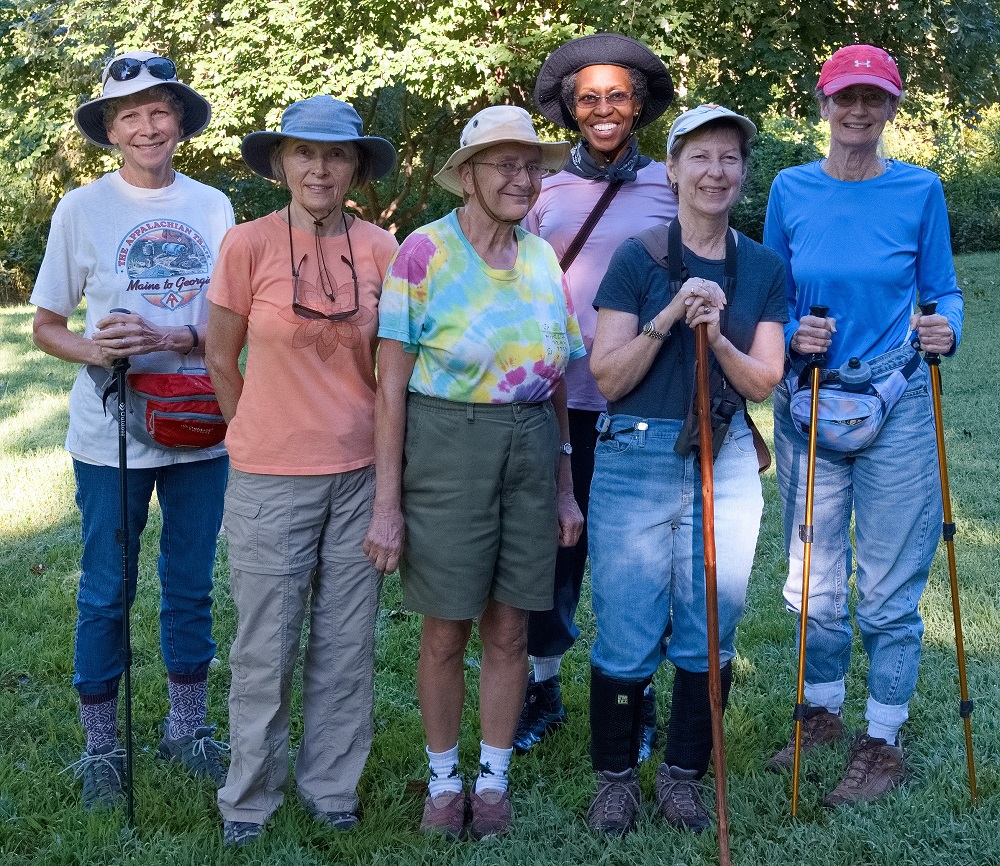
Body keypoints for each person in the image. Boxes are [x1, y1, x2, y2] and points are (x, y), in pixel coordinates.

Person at [362, 105, 585, 841]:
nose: (522, 178)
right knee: (445, 629)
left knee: (512, 626)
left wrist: (563, 485)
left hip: (529, 445)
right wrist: (386, 507)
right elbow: (390, 386)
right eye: (504, 165)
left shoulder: (543, 258)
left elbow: (553, 377)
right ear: (467, 176)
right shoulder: (422, 255)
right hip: (446, 446)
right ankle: (443, 779)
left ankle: (492, 780)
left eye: (531, 165)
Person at [30, 50, 234, 809]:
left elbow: (227, 315)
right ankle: (102, 748)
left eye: (158, 112)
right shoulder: (82, 209)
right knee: (107, 590)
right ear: (110, 130)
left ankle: (187, 730)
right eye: (129, 115)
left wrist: (187, 339)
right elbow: (47, 325)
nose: (147, 126)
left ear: (178, 121)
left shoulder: (213, 205)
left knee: (189, 585)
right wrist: (97, 348)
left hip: (200, 426)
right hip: (111, 430)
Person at [763, 45, 963, 806]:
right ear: (823, 104)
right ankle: (820, 713)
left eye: (873, 99)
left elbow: (944, 292)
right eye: (845, 97)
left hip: (897, 403)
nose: (858, 111)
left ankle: (881, 738)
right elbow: (773, 295)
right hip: (808, 400)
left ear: (891, 109)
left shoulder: (921, 190)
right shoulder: (790, 188)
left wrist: (946, 326)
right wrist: (788, 336)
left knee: (884, 588)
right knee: (813, 581)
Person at [585, 104, 787, 835]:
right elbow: (607, 377)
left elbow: (763, 379)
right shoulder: (638, 258)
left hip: (725, 457)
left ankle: (681, 779)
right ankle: (615, 782)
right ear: (670, 168)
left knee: (712, 628)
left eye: (730, 157)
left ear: (742, 172)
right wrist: (671, 315)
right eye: (700, 156)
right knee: (627, 629)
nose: (716, 171)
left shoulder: (762, 265)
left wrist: (717, 336)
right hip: (635, 456)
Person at [205, 95, 398, 847]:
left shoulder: (384, 249)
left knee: (347, 644)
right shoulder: (246, 245)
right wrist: (256, 427)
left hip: (359, 474)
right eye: (304, 152)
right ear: (281, 162)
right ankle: (249, 799)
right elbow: (221, 357)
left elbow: (395, 371)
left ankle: (329, 787)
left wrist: (389, 483)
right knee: (265, 645)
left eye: (336, 154)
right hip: (270, 478)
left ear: (355, 166)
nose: (320, 167)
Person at [517, 32, 678, 758]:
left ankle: (636, 699)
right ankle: (541, 685)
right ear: (571, 111)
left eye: (618, 96)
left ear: (638, 106)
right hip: (559, 401)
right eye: (589, 98)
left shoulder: (671, 187)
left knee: (637, 561)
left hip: (643, 405)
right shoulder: (542, 190)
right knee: (554, 554)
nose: (604, 109)